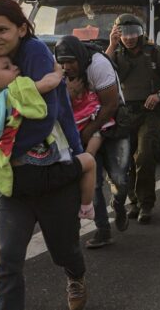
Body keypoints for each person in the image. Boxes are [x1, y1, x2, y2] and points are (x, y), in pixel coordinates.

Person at [0, 0, 87, 310]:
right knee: (7, 262)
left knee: (64, 251)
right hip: (10, 180)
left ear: (21, 28)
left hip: (52, 171)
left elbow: (41, 120)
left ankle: (76, 275)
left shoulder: (35, 53)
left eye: (1, 30)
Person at [0, 52, 96, 220]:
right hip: (36, 165)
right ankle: (86, 208)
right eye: (7, 67)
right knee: (89, 161)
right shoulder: (15, 91)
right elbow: (49, 83)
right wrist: (58, 71)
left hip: (3, 166)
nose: (16, 67)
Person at [56, 35, 130, 249]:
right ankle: (103, 230)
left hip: (113, 124)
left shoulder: (98, 65)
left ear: (80, 57)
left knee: (119, 178)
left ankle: (118, 204)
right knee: (91, 180)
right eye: (63, 62)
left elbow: (110, 106)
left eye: (71, 61)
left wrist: (88, 132)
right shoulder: (60, 72)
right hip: (83, 127)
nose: (67, 66)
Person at [106, 14, 160, 224]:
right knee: (126, 160)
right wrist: (111, 44)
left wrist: (159, 95)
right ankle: (134, 201)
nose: (129, 38)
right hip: (125, 113)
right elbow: (102, 69)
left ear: (141, 32)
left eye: (133, 33)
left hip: (149, 112)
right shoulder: (116, 53)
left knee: (144, 156)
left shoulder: (154, 52)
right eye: (124, 34)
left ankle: (146, 204)